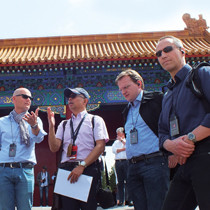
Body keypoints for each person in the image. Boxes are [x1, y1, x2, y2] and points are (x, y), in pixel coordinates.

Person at [156, 35, 210, 210]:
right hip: (183, 162)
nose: (162, 55)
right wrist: (171, 145)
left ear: (182, 51)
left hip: (205, 154)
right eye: (158, 53)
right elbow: (162, 132)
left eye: (167, 49)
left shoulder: (202, 74)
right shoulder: (167, 95)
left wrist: (190, 138)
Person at [115, 69, 169, 210]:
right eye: (121, 89)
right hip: (133, 166)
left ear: (139, 83)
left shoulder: (157, 99)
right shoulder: (126, 110)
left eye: (126, 87)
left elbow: (171, 124)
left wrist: (173, 152)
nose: (123, 92)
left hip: (154, 162)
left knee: (157, 206)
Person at [47, 87, 109, 210]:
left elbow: (100, 146)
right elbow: (54, 148)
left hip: (88, 168)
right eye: (68, 97)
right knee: (68, 207)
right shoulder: (64, 124)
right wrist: (51, 126)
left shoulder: (95, 120)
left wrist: (82, 166)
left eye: (74, 96)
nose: (70, 99)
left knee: (88, 207)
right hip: (66, 171)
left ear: (85, 101)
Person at [0, 87, 47, 210]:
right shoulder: (1, 122)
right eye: (25, 96)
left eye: (30, 98)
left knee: (25, 207)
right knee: (5, 207)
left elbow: (38, 139)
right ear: (14, 99)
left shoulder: (35, 120)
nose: (29, 100)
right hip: (3, 170)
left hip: (25, 170)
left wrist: (34, 125)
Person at [112, 127, 132, 206]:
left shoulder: (127, 141)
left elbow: (128, 147)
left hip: (126, 161)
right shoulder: (115, 142)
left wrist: (122, 143)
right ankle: (121, 200)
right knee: (120, 182)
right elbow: (114, 150)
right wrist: (122, 149)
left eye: (118, 134)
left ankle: (130, 200)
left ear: (122, 134)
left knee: (128, 181)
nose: (117, 135)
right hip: (118, 162)